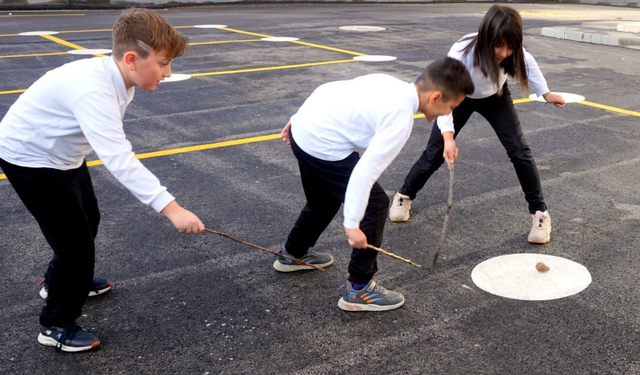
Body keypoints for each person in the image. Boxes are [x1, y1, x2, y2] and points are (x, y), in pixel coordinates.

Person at [0, 8, 205, 352]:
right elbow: (119, 158)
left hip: (61, 155)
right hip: (30, 159)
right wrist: (172, 209)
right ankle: (54, 325)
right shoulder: (93, 90)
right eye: (163, 63)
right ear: (131, 59)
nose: (168, 73)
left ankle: (59, 282)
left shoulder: (119, 78)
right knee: (76, 246)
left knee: (88, 220)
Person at [276, 57, 474, 312]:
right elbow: (364, 173)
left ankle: (292, 253)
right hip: (321, 144)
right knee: (376, 204)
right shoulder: (399, 119)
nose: (448, 114)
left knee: (323, 199)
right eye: (450, 108)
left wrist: (299, 118)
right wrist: (352, 224)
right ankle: (359, 287)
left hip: (303, 131)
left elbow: (328, 89)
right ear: (435, 97)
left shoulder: (392, 85)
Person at [388, 5, 566, 244]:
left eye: (510, 46)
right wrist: (449, 138)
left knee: (519, 151)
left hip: (495, 97)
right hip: (458, 97)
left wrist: (545, 93)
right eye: (498, 45)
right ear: (486, 37)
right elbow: (443, 95)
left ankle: (539, 213)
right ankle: (404, 195)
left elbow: (528, 62)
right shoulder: (461, 53)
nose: (504, 52)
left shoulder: (513, 51)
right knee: (434, 152)